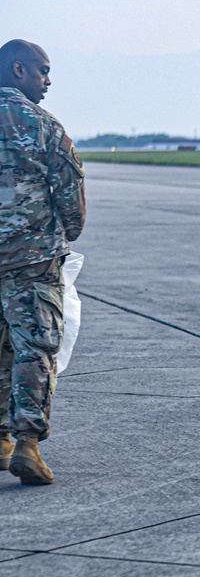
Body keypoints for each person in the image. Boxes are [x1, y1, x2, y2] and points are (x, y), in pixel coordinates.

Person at [0, 40, 86, 485]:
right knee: (34, 346)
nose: (48, 81)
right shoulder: (41, 125)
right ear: (18, 70)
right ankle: (27, 445)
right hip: (31, 261)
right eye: (42, 72)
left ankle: (0, 440)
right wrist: (65, 234)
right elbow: (71, 200)